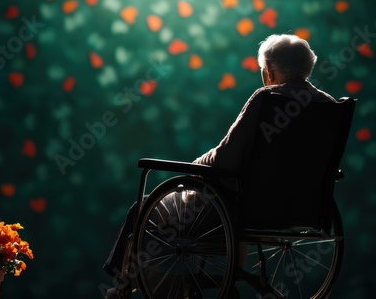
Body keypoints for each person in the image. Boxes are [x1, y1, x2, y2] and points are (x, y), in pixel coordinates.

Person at [103, 34, 336, 299]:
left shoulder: (266, 99)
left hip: (236, 208)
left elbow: (226, 159)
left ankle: (123, 286)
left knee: (143, 208)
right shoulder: (328, 106)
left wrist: (197, 165)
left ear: (270, 71)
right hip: (299, 210)